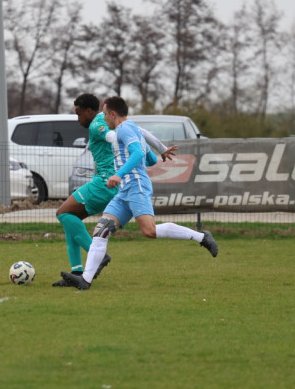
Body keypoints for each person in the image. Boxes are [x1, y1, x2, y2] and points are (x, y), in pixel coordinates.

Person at [59, 96, 217, 290]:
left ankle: (201, 237)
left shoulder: (123, 129)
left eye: (106, 114)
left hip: (136, 186)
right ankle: (85, 280)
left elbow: (138, 154)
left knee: (150, 231)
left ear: (113, 114)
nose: (103, 117)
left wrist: (118, 174)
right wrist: (161, 149)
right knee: (101, 231)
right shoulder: (127, 128)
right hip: (124, 190)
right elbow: (145, 144)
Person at [53, 93, 177, 286]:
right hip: (114, 184)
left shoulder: (97, 124)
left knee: (62, 213)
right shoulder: (116, 121)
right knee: (70, 218)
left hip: (105, 182)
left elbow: (113, 136)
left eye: (79, 115)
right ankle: (77, 271)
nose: (78, 120)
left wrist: (127, 145)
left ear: (88, 111)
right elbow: (140, 132)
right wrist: (159, 149)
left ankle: (96, 257)